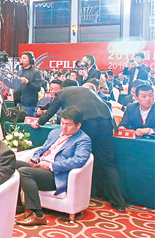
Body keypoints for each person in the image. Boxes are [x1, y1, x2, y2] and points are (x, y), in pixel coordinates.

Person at [34, 79, 126, 212]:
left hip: (88, 122)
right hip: (106, 122)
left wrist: (38, 122)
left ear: (62, 88)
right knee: (107, 163)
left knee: (81, 157)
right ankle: (118, 202)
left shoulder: (62, 93)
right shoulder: (87, 90)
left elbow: (50, 112)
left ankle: (81, 195)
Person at [16, 107, 92, 226]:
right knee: (11, 163)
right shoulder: (55, 133)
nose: (64, 127)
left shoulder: (83, 140)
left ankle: (37, 215)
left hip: (55, 174)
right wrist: (36, 158)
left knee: (24, 172)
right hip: (40, 167)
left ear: (78, 125)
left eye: (68, 124)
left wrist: (51, 165)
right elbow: (41, 149)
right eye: (62, 123)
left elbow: (78, 161)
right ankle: (18, 205)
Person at [5, 51, 42, 117]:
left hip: (29, 105)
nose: (22, 60)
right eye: (21, 58)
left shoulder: (36, 72)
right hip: (18, 103)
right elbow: (13, 85)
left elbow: (38, 87)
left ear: (30, 60)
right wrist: (4, 80)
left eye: (24, 58)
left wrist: (28, 82)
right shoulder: (19, 72)